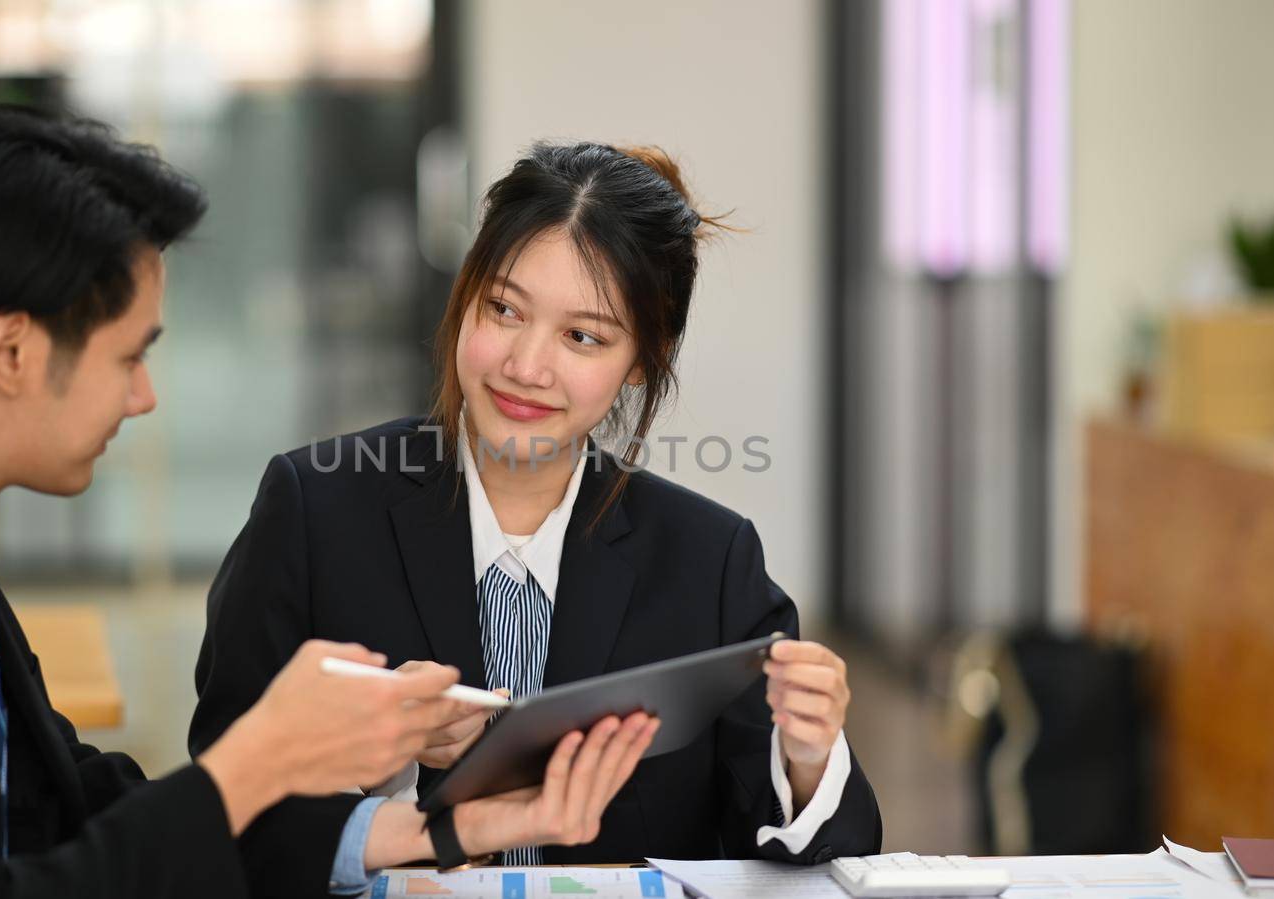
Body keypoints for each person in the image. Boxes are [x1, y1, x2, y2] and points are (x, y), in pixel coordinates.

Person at [0, 107, 654, 899]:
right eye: (130, 356)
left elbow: (69, 805)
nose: (144, 397)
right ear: (12, 352)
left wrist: (424, 830)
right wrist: (264, 755)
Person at [191, 141, 882, 872]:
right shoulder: (315, 512)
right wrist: (378, 767)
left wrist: (806, 760)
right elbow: (219, 798)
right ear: (465, 296)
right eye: (503, 308)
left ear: (643, 359)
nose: (526, 366)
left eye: (582, 336)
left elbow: (819, 849)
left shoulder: (709, 561)